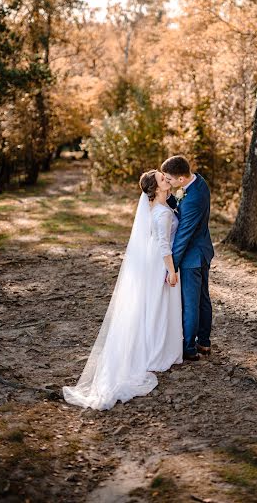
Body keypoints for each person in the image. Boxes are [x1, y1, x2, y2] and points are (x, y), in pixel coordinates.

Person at [62, 170, 182, 410]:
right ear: (156, 189)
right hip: (159, 262)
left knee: (152, 305)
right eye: (162, 179)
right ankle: (157, 353)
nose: (166, 180)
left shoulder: (158, 208)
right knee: (157, 306)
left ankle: (155, 348)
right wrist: (171, 270)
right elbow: (163, 244)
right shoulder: (161, 214)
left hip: (150, 262)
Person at [161, 155, 214, 361]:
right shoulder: (198, 182)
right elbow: (181, 208)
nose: (168, 183)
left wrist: (170, 267)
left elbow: (183, 236)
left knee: (192, 303)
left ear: (181, 179)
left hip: (193, 257)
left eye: (170, 179)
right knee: (202, 299)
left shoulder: (192, 200)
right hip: (203, 251)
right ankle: (205, 342)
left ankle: (190, 348)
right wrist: (170, 198)